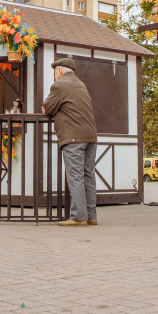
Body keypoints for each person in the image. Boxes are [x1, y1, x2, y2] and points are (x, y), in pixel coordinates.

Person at [41, 58, 98, 227]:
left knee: (75, 176)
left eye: (54, 72)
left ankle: (79, 217)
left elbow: (48, 107)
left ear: (59, 71)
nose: (54, 75)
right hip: (90, 136)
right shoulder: (81, 84)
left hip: (74, 137)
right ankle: (91, 215)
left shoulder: (60, 85)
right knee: (88, 175)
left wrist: (48, 107)